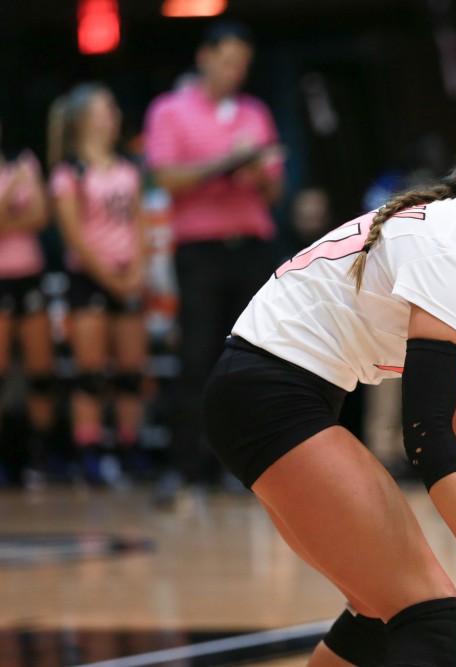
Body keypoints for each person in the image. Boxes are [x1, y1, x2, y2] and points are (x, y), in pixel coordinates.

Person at [202, 102, 456, 666]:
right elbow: (425, 430)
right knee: (429, 614)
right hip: (268, 394)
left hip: (280, 392)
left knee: (379, 612)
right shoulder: (454, 246)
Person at [143, 21, 284, 502]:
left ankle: (243, 467)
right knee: (197, 355)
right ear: (204, 57)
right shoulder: (170, 110)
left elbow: (275, 186)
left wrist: (256, 170)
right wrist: (226, 163)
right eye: (228, 61)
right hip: (199, 249)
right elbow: (166, 178)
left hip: (251, 242)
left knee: (249, 358)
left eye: (242, 64)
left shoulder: (255, 111)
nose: (235, 72)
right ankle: (183, 468)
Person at [49, 84, 148, 485]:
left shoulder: (128, 168)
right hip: (89, 277)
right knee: (90, 373)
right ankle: (89, 453)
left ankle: (130, 449)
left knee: (130, 372)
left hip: (129, 276)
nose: (114, 116)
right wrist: (109, 278)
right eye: (105, 109)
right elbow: (73, 236)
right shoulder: (69, 172)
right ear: (84, 120)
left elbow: (140, 224)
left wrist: (138, 270)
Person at [0, 123, 53, 485]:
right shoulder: (20, 173)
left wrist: (9, 218)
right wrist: (15, 192)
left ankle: (40, 456)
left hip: (30, 273)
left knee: (41, 373)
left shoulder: (23, 161)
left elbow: (40, 217)